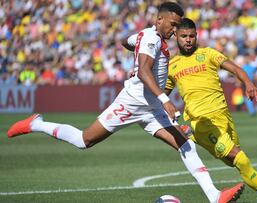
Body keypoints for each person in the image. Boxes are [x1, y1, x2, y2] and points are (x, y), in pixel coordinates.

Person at [7, 3, 243, 203]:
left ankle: (214, 196)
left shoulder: (148, 36)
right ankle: (36, 124)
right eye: (172, 24)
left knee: (185, 145)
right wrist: (165, 100)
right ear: (159, 19)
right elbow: (143, 70)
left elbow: (125, 40)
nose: (175, 29)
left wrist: (134, 44)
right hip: (133, 103)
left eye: (177, 24)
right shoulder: (151, 38)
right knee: (84, 140)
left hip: (151, 108)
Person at [165, 18, 257, 203]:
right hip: (203, 122)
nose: (188, 40)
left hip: (223, 118)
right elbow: (162, 95)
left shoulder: (208, 54)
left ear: (196, 36)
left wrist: (248, 82)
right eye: (183, 36)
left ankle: (191, 136)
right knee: (241, 159)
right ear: (176, 36)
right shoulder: (172, 66)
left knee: (234, 162)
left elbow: (235, 68)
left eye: (191, 36)